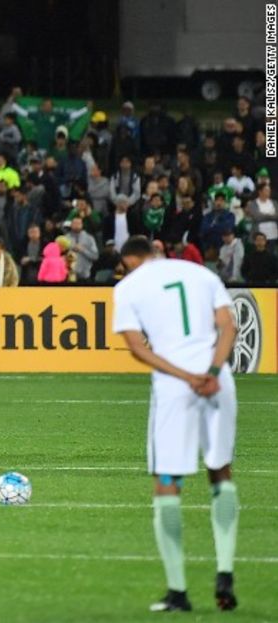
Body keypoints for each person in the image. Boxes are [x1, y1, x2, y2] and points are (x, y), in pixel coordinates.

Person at [112, 236, 240, 613]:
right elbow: (228, 327)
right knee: (220, 471)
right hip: (219, 381)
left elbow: (138, 348)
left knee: (167, 482)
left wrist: (186, 376)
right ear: (158, 252)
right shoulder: (199, 273)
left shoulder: (129, 286)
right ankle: (226, 572)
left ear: (130, 261)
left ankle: (178, 591)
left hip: (174, 387)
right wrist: (212, 371)